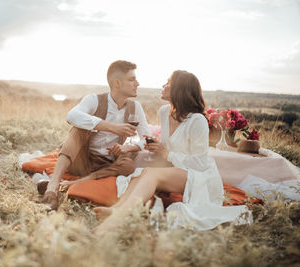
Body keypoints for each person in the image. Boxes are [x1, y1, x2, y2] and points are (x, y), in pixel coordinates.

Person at [93, 70, 251, 234]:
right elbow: (171, 144)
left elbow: (200, 163)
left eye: (167, 83)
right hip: (178, 168)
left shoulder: (197, 121)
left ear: (179, 90)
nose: (163, 86)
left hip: (200, 176)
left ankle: (118, 220)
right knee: (144, 172)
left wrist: (166, 153)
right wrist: (156, 146)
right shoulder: (164, 112)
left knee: (153, 174)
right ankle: (117, 209)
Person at [40, 60, 151, 210]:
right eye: (132, 79)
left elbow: (147, 139)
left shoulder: (135, 107)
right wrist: (113, 128)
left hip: (107, 165)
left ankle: (71, 184)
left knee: (128, 165)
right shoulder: (94, 99)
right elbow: (72, 116)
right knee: (79, 129)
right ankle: (52, 188)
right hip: (81, 160)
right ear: (117, 83)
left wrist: (127, 148)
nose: (137, 83)